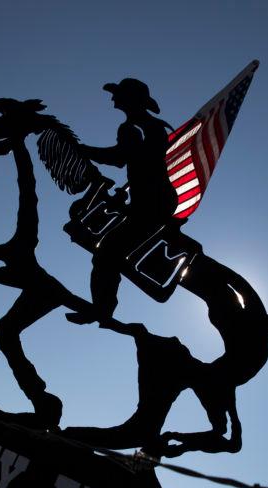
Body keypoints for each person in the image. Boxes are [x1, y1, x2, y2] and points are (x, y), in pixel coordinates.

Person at [67, 78, 178, 324]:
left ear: (129, 99)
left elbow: (119, 158)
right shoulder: (150, 126)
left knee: (106, 253)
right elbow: (138, 162)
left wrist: (84, 150)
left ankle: (102, 309)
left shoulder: (132, 128)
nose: (113, 99)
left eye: (118, 94)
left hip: (151, 202)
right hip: (154, 199)